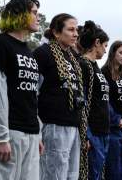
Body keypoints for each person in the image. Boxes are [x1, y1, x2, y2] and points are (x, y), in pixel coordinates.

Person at [0, 0, 43, 180]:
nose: (38, 17)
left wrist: (37, 133)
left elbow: (31, 96)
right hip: (9, 133)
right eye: (34, 12)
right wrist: (1, 137)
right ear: (19, 14)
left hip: (30, 134)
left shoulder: (28, 52)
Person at [33, 13, 85, 180]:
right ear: (56, 32)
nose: (76, 34)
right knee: (53, 175)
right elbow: (33, 92)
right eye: (70, 29)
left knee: (71, 175)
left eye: (76, 29)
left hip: (73, 124)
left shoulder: (73, 58)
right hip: (53, 126)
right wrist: (37, 129)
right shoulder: (43, 53)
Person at [78, 20, 110, 180]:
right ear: (96, 43)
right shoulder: (83, 65)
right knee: (90, 175)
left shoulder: (96, 67)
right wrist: (86, 135)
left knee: (98, 174)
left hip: (103, 131)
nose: (105, 50)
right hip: (93, 132)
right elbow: (81, 102)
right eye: (105, 45)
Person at [101, 40, 122, 180]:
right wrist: (115, 119)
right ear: (113, 53)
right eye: (121, 52)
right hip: (113, 128)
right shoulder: (104, 72)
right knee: (114, 169)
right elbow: (104, 100)